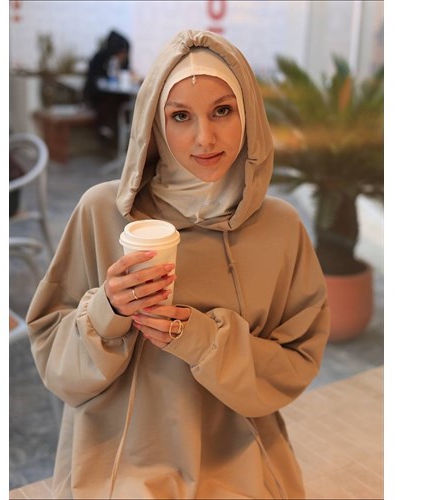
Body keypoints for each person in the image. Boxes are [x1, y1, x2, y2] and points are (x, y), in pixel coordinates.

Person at [27, 29, 330, 499]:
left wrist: (204, 340)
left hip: (238, 459)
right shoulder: (102, 211)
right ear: (154, 122)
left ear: (248, 113)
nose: (205, 138)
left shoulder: (280, 228)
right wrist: (108, 311)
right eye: (181, 116)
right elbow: (53, 355)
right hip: (116, 461)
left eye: (222, 111)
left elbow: (296, 360)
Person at [83, 30, 131, 142]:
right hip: (97, 95)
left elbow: (124, 74)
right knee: (109, 103)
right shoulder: (101, 58)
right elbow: (95, 82)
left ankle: (121, 136)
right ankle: (106, 130)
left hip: (115, 95)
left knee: (125, 102)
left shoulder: (121, 62)